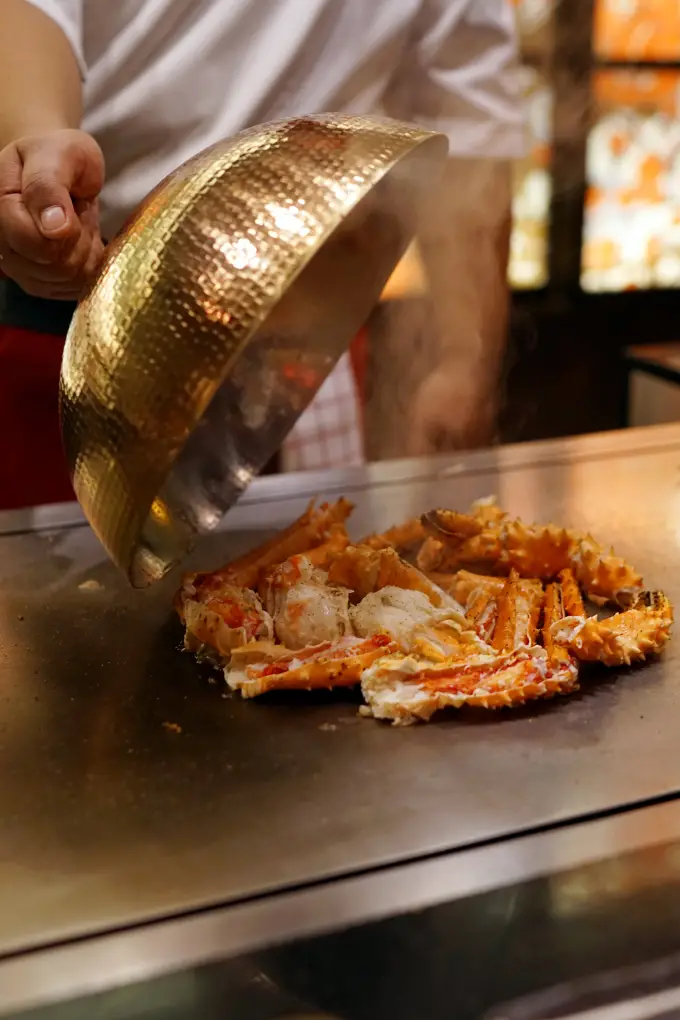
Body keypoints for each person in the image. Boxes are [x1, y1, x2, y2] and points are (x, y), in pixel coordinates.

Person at [0, 0, 525, 510]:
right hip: (75, 336)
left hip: (307, 347)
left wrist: (463, 360)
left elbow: (470, 121)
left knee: (321, 581)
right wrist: (36, 141)